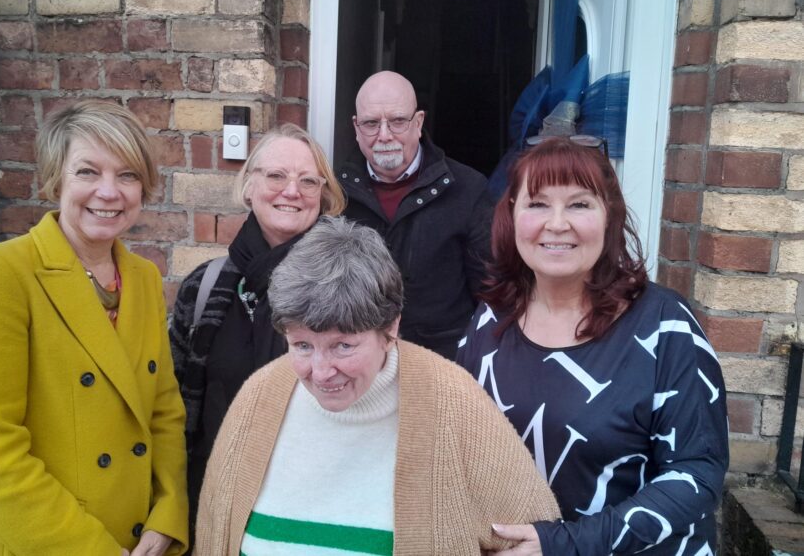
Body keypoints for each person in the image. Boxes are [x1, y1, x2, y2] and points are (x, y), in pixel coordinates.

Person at [195, 216, 560, 555]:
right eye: (302, 345)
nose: (321, 372)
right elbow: (214, 535)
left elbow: (534, 535)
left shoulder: (455, 403)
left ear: (390, 330)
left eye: (343, 345)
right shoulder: (258, 397)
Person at [457, 137, 729, 555]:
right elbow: (459, 441)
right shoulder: (491, 320)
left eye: (579, 204)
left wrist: (563, 545)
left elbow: (697, 474)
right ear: (511, 215)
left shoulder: (665, 327)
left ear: (609, 218)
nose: (557, 223)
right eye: (538, 203)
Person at [0, 100, 188, 555]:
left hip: (136, 540)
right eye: (87, 172)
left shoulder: (143, 277)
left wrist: (168, 514)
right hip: (40, 543)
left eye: (128, 175)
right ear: (56, 178)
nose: (109, 192)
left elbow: (163, 410)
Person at [169, 123, 346, 543]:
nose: (292, 190)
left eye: (308, 180)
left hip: (314, 509)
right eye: (276, 175)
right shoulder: (205, 286)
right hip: (215, 501)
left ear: (323, 195)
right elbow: (173, 407)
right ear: (249, 185)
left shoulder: (349, 286)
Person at [340, 71, 494, 359]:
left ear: (418, 122)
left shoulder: (469, 190)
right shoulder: (335, 194)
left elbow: (492, 295)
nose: (384, 136)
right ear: (356, 128)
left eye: (398, 121)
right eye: (371, 123)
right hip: (357, 365)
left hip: (443, 363)